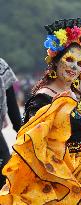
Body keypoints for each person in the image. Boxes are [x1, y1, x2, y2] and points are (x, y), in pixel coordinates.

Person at [0, 19, 81, 205]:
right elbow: (34, 145)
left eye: (79, 63)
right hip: (62, 178)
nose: (74, 67)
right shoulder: (43, 98)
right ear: (55, 61)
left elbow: (74, 130)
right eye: (69, 59)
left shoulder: (74, 94)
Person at [0, 58, 21, 189]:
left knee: (5, 175)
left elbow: (12, 106)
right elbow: (13, 107)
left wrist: (24, 132)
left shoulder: (1, 67)